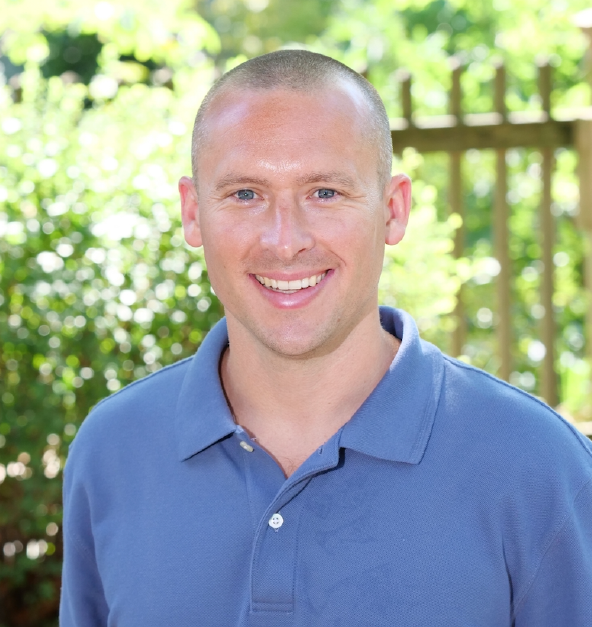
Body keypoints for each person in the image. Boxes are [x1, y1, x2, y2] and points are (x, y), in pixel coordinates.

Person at [60, 50, 592, 626]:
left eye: (325, 192)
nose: (285, 241)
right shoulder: (113, 450)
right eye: (245, 194)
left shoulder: (537, 464)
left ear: (393, 210)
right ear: (193, 213)